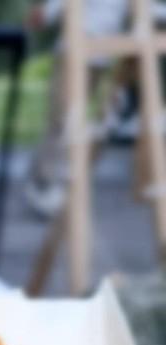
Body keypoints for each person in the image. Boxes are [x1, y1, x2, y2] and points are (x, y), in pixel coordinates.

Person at [24, 0, 166, 217]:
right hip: (73, 53)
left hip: (99, 59)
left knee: (80, 121)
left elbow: (142, 8)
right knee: (61, 120)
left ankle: (61, 180)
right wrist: (45, 14)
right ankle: (42, 184)